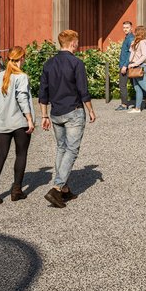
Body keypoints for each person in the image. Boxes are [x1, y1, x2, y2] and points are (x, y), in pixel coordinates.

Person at [39, 29, 97, 208]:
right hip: (73, 111)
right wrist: (91, 110)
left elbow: (43, 92)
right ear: (72, 43)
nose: (78, 45)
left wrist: (44, 115)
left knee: (61, 148)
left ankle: (64, 190)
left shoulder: (49, 64)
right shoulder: (76, 63)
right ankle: (56, 188)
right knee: (71, 150)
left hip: (56, 113)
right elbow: (83, 90)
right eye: (77, 42)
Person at [0, 45, 35, 204]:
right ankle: (16, 190)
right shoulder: (22, 77)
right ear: (22, 58)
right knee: (21, 154)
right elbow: (22, 98)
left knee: (0, 156)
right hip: (19, 122)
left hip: (1, 122)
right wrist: (29, 119)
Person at [115, 20, 134, 110]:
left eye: (127, 28)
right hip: (126, 64)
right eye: (124, 28)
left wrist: (125, 66)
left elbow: (131, 53)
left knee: (122, 85)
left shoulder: (130, 39)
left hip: (125, 65)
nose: (125, 29)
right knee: (136, 84)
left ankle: (124, 105)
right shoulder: (128, 38)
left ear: (131, 28)